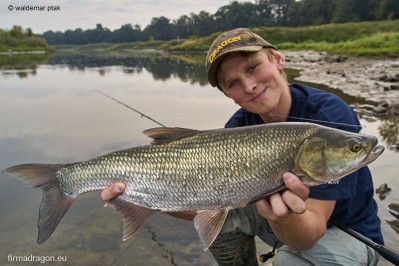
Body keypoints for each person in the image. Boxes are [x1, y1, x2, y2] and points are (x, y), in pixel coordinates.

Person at [101, 28, 383, 265]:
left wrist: (282, 219)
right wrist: (146, 196)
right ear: (228, 95)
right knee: (223, 218)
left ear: (278, 60)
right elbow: (204, 205)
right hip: (281, 222)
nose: (249, 85)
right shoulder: (238, 127)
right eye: (234, 83)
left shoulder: (330, 116)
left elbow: (309, 236)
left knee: (289, 261)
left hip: (347, 233)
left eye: (253, 67)